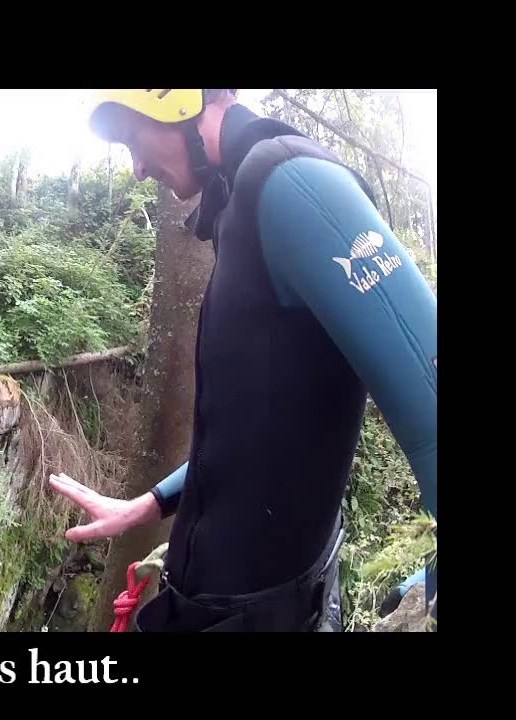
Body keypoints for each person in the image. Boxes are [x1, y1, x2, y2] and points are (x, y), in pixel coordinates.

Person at [48, 89, 436, 632]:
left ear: (178, 102)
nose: (135, 168)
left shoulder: (287, 180)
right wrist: (151, 503)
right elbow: (259, 425)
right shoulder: (240, 207)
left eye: (133, 137)